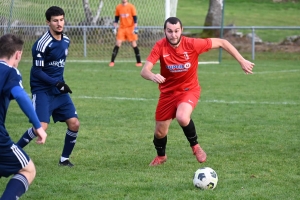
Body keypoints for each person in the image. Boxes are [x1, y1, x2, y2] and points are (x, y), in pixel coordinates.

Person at [140, 17, 254, 166]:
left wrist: (241, 60)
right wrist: (153, 76)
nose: (173, 35)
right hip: (168, 93)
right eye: (169, 31)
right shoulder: (160, 46)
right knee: (160, 132)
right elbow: (144, 71)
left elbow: (222, 42)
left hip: (189, 90)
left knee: (182, 116)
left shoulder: (192, 44)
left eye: (176, 31)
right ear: (165, 31)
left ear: (181, 30)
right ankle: (161, 157)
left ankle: (196, 147)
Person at [16, 6, 79, 167]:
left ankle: (64, 160)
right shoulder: (41, 44)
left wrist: (61, 83)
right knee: (41, 127)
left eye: (61, 20)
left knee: (74, 123)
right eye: (55, 20)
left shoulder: (65, 41)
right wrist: (56, 83)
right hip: (42, 90)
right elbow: (37, 72)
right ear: (48, 22)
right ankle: (12, 152)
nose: (59, 23)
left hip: (58, 89)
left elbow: (58, 67)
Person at [0, 33, 48, 199]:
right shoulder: (10, 72)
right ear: (18, 54)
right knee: (28, 169)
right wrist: (38, 126)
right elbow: (19, 95)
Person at [109, 0, 142, 67]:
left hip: (130, 28)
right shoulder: (118, 7)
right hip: (122, 28)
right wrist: (114, 27)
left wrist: (135, 28)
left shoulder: (131, 7)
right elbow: (116, 18)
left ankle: (139, 62)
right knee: (118, 43)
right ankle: (112, 61)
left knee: (133, 44)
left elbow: (135, 18)